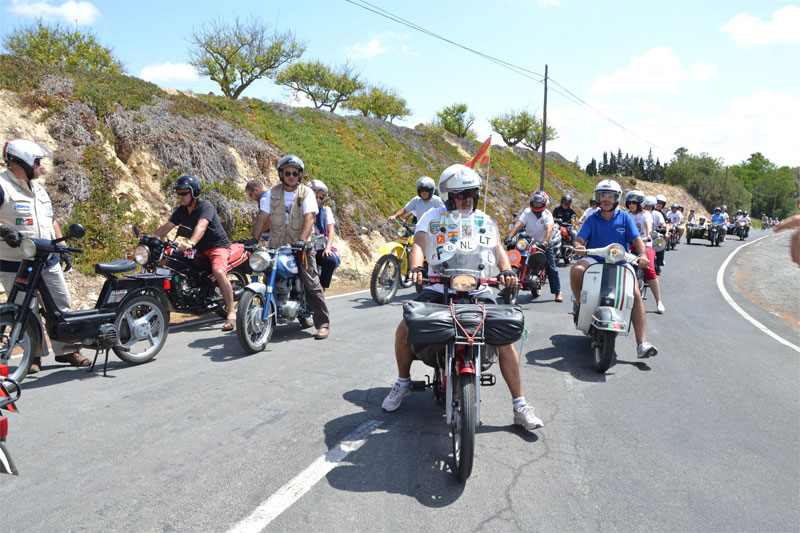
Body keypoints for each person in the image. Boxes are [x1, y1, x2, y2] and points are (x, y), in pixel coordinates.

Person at [382, 164, 543, 430]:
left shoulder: (482, 219)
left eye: (471, 193)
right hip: (438, 285)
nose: (466, 199)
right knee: (404, 328)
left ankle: (520, 404)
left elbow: (497, 248)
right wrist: (417, 268)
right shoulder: (432, 217)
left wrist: (506, 270)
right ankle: (403, 382)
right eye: (460, 194)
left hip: (478, 285)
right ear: (448, 196)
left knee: (506, 340)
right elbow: (419, 244)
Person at [0, 138, 91, 373]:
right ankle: (34, 356)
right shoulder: (2, 185)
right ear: (24, 161)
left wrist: (61, 247)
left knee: (61, 303)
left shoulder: (39, 189)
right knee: (25, 310)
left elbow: (51, 220)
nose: (41, 167)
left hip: (47, 259)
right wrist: (4, 229)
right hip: (15, 262)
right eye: (38, 162)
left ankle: (69, 349)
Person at [569, 179, 658, 359]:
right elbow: (579, 239)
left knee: (635, 293)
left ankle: (642, 343)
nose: (606, 199)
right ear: (598, 197)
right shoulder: (592, 218)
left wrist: (642, 256)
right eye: (603, 195)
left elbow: (636, 240)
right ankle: (581, 305)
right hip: (595, 258)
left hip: (620, 261)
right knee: (577, 269)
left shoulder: (624, 217)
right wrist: (579, 246)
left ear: (617, 199)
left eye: (610, 196)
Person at [251, 154, 330, 339]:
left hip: (301, 246)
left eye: (295, 173)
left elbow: (310, 217)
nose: (291, 176)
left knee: (312, 283)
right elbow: (263, 216)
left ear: (300, 175)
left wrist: (302, 240)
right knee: (267, 273)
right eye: (287, 173)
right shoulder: (272, 193)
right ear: (281, 174)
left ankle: (323, 323)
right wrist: (254, 239)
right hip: (277, 244)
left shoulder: (306, 193)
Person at [154, 174, 237, 330]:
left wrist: (190, 242)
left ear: (194, 193)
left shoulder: (205, 207)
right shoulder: (181, 210)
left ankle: (231, 312)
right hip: (198, 249)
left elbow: (201, 227)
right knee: (174, 264)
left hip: (216, 246)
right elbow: (167, 226)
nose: (180, 196)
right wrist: (151, 239)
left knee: (218, 271)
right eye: (178, 193)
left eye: (184, 193)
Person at [507, 191, 564, 302]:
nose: (537, 205)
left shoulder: (547, 215)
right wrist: (509, 236)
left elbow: (549, 230)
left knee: (551, 267)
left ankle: (558, 292)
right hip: (527, 241)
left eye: (539, 203)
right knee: (512, 259)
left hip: (543, 243)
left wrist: (545, 243)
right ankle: (507, 287)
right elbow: (518, 224)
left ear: (544, 204)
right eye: (535, 203)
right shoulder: (527, 212)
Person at [625, 190, 665, 313]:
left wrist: (648, 235)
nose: (631, 205)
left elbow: (648, 228)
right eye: (629, 202)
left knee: (649, 268)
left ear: (640, 203)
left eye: (634, 202)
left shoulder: (646, 215)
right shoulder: (626, 215)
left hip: (645, 244)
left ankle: (659, 301)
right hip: (629, 245)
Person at [308, 179, 340, 290]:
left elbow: (331, 232)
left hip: (319, 247)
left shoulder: (326, 210)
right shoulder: (301, 209)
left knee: (330, 261)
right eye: (314, 196)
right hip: (304, 247)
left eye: (320, 198)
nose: (317, 200)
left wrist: (328, 248)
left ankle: (322, 288)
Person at [645, 195, 666, 275]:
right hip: (642, 235)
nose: (647, 207)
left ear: (653, 206)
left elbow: (663, 224)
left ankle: (659, 263)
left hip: (654, 234)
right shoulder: (639, 213)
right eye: (646, 206)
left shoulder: (657, 214)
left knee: (660, 242)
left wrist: (661, 228)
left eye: (650, 206)